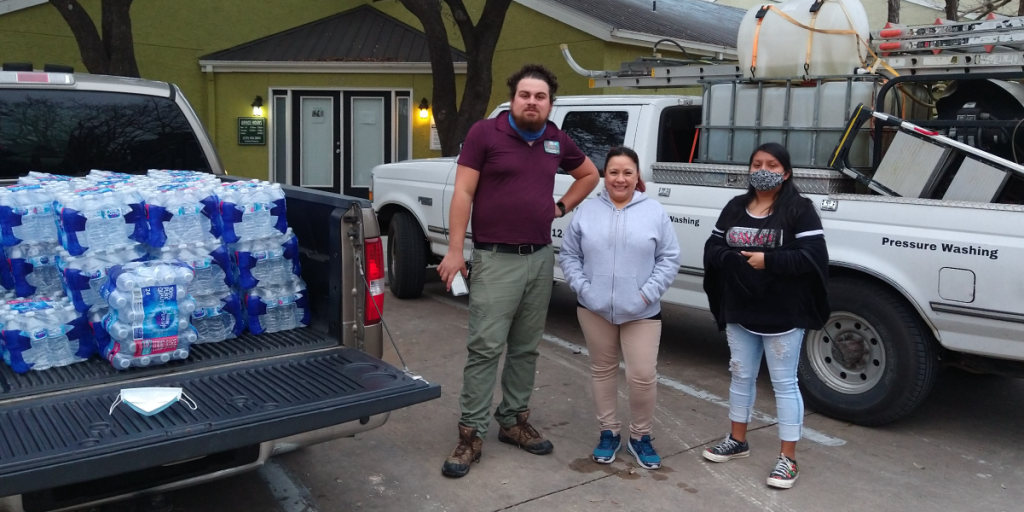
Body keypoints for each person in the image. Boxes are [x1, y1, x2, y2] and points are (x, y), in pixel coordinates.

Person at [437, 64, 600, 478]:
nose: (532, 102)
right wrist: (455, 251)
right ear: (513, 98)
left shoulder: (554, 139)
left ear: (550, 103)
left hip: (540, 258)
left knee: (526, 347)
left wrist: (561, 207)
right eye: (525, 94)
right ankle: (470, 434)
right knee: (486, 348)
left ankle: (512, 421)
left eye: (540, 96)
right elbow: (463, 192)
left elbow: (589, 174)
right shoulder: (485, 134)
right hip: (495, 259)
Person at [700, 142, 830, 489]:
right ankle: (737, 440)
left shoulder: (799, 210)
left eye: (772, 164)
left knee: (784, 384)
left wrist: (767, 260)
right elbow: (713, 246)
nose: (763, 169)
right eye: (757, 163)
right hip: (740, 309)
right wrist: (728, 258)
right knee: (740, 374)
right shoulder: (735, 207)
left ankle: (788, 458)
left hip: (783, 313)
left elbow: (814, 256)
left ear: (785, 172)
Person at [558, 146, 680, 470]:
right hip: (594, 309)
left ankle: (640, 437)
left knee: (642, 376)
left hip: (641, 312)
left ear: (637, 176)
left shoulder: (654, 211)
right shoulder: (586, 211)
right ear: (604, 176)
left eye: (628, 172)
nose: (620, 178)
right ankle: (608, 432)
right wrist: (586, 289)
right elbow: (569, 255)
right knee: (602, 370)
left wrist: (645, 294)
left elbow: (669, 258)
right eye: (614, 172)